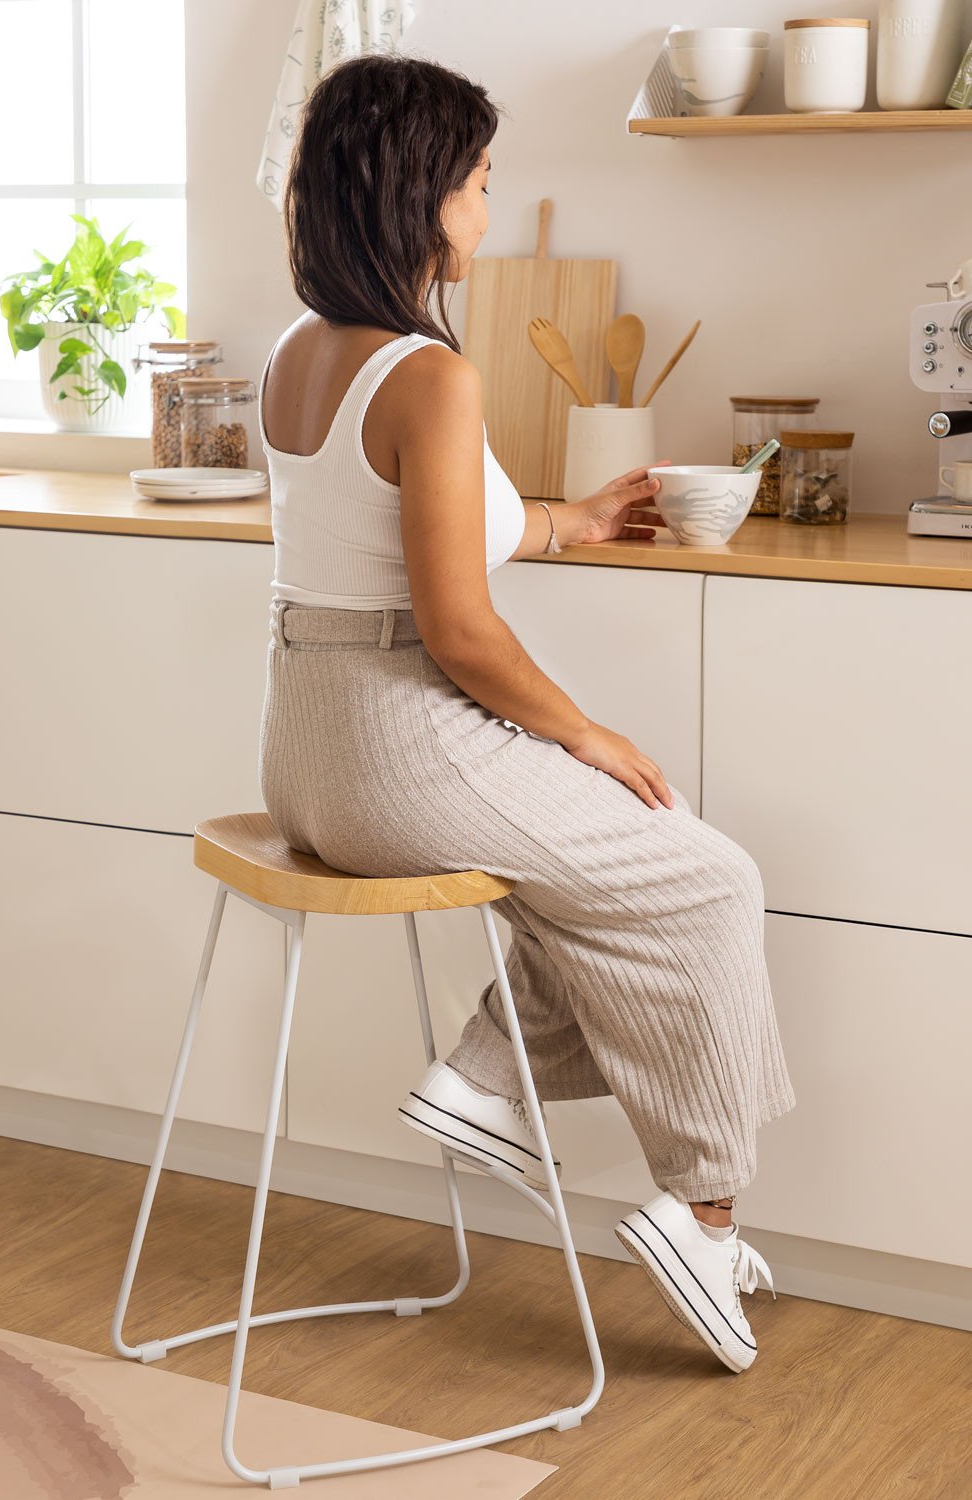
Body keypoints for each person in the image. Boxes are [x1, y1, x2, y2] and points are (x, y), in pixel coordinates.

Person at [257, 52, 796, 1375]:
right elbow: (458, 629)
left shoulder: (301, 355)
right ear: (421, 193)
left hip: (306, 752)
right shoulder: (431, 377)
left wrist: (567, 518)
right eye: (483, 183)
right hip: (402, 741)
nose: (490, 213)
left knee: (583, 877)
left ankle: (486, 1078)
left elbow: (405, 535)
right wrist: (590, 736)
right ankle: (704, 1206)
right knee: (708, 878)